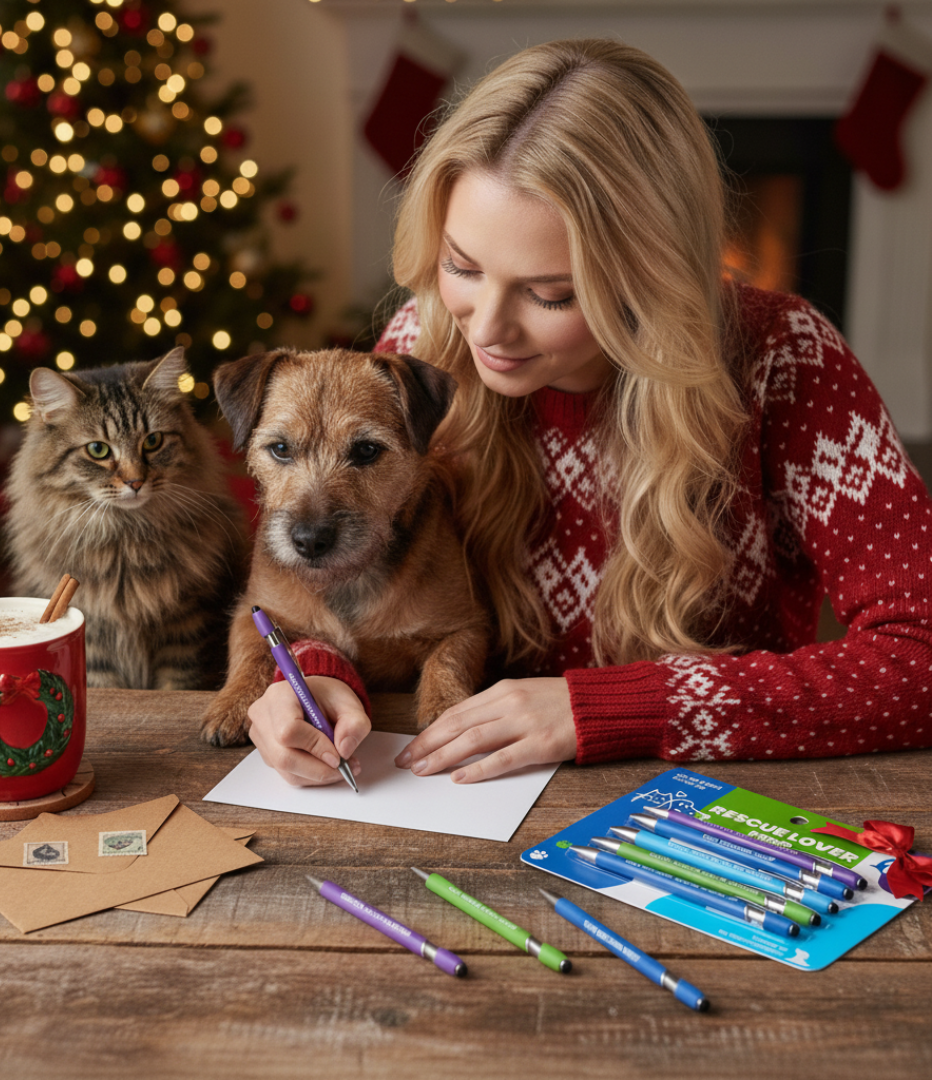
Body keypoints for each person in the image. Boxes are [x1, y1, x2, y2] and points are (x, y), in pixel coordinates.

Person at [245, 37, 932, 787]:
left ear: (650, 277)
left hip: (710, 805)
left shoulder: (784, 361)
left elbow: (920, 653)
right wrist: (311, 674)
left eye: (551, 294)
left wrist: (609, 708)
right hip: (470, 793)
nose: (487, 329)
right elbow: (347, 577)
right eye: (462, 267)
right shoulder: (423, 347)